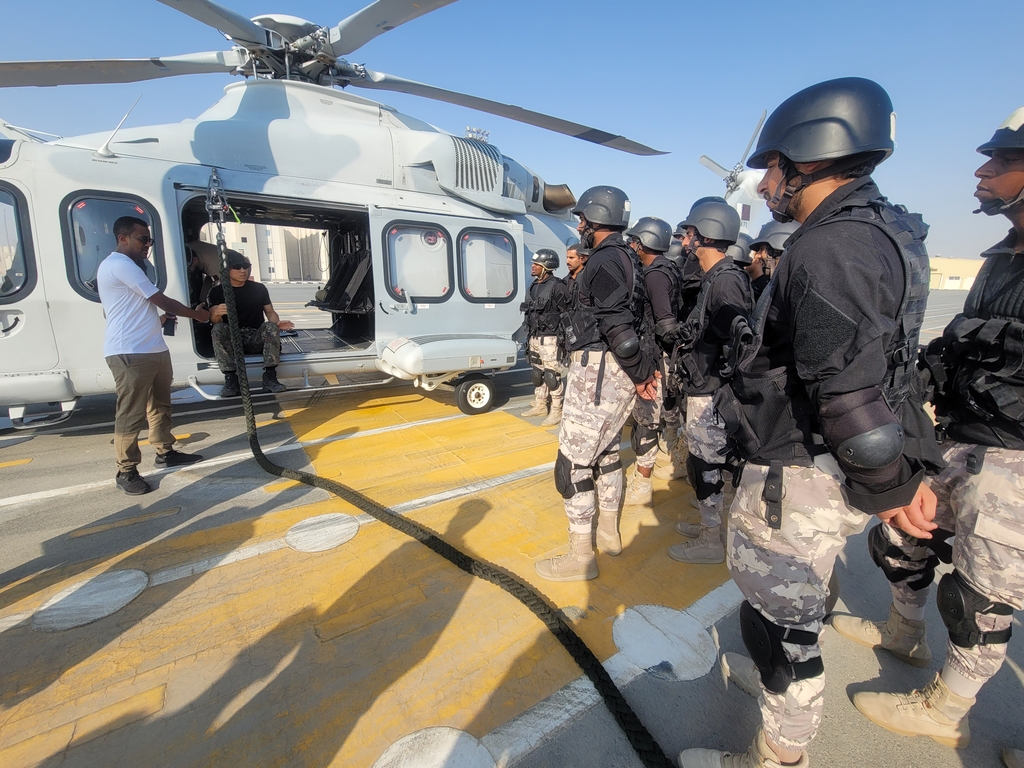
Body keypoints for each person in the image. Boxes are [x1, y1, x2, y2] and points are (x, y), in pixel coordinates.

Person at [678, 77, 944, 768]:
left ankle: (779, 756)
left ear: (811, 154)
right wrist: (904, 472)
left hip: (798, 474)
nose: (765, 183)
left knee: (781, 635)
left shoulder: (833, 248)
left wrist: (889, 488)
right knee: (788, 621)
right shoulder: (886, 232)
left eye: (773, 166)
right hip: (814, 465)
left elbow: (852, 398)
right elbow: (893, 368)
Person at [833, 107, 1024, 757]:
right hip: (970, 434)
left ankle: (949, 710)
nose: (982, 169)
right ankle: (902, 632)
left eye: (1001, 160)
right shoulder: (1006, 254)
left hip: (1015, 451)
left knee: (983, 592)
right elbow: (973, 342)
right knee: (902, 535)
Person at [535, 186, 657, 581]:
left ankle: (580, 557)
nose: (579, 226)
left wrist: (640, 374)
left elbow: (617, 325)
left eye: (582, 220)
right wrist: (639, 372)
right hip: (613, 371)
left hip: (601, 369)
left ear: (593, 219)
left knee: (572, 464)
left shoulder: (605, 259)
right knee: (605, 454)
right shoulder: (628, 256)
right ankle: (608, 532)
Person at [97, 216, 210, 495]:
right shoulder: (119, 264)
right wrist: (197, 314)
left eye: (150, 240)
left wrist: (156, 321)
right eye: (142, 239)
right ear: (123, 238)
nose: (147, 245)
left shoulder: (130, 267)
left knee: (160, 406)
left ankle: (165, 451)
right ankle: (126, 471)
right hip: (130, 352)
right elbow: (160, 298)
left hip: (153, 348)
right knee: (131, 414)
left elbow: (125, 309)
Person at [667, 200, 753, 565]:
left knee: (708, 465)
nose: (686, 242)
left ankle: (712, 540)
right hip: (703, 385)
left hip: (711, 391)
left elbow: (736, 344)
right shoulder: (717, 279)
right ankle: (712, 528)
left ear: (705, 235)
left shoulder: (726, 281)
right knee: (706, 462)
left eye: (690, 234)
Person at [622, 216, 679, 506]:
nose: (631, 246)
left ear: (645, 242)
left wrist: (655, 362)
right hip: (659, 354)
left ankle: (642, 484)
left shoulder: (655, 274)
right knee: (660, 416)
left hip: (656, 356)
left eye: (634, 241)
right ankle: (671, 462)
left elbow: (663, 322)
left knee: (647, 420)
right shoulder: (663, 268)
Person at [207, 249, 294, 397]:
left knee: (270, 327)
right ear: (227, 270)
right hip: (233, 340)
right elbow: (215, 322)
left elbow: (270, 313)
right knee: (218, 329)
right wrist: (215, 312)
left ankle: (270, 377)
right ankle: (231, 380)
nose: (243, 270)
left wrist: (276, 324)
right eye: (237, 267)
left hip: (254, 337)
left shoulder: (258, 289)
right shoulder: (217, 292)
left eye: (245, 266)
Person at [521, 248, 569, 426]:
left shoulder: (557, 286)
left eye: (536, 264)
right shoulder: (534, 285)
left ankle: (556, 410)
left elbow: (566, 312)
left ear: (546, 266)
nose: (532, 267)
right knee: (537, 373)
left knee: (551, 375)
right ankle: (541, 404)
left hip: (550, 338)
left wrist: (564, 339)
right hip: (535, 336)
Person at [747, 220, 800, 300]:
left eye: (761, 249)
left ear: (777, 251)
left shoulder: (796, 291)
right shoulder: (776, 289)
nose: (757, 256)